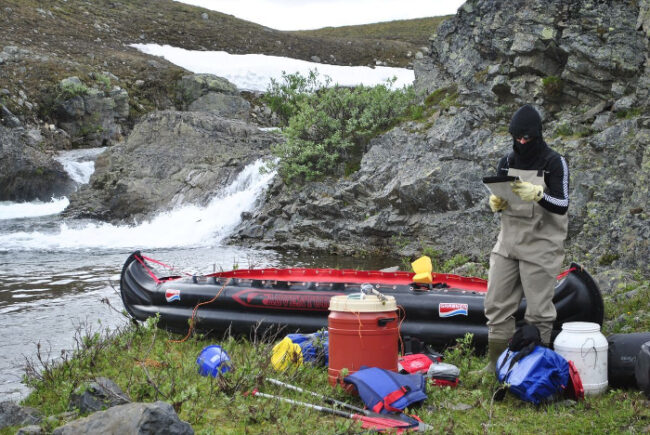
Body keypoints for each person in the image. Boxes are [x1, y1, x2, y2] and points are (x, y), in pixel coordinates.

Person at [480, 104, 570, 373]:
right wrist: (496, 203)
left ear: (538, 135)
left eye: (527, 138)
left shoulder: (555, 162)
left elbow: (562, 203)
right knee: (495, 305)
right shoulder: (506, 161)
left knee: (539, 313)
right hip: (507, 243)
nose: (521, 142)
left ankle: (535, 370)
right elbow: (502, 195)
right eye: (517, 137)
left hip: (542, 246)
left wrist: (540, 195)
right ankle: (496, 364)